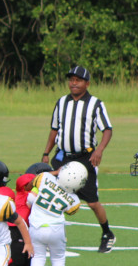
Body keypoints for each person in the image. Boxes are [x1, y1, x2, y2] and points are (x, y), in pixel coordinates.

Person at [41, 65, 115, 252]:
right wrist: (45, 153)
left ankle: (107, 233)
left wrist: (99, 150)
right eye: (71, 79)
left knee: (91, 201)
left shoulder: (95, 104)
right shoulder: (61, 102)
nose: (73, 83)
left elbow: (107, 129)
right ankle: (52, 238)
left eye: (78, 80)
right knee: (55, 196)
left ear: (87, 83)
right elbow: (54, 129)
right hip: (63, 156)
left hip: (85, 157)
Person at [25, 162, 87, 266]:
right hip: (56, 228)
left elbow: (29, 200)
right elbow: (71, 210)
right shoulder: (74, 201)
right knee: (58, 257)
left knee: (38, 256)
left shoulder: (44, 177)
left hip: (36, 226)